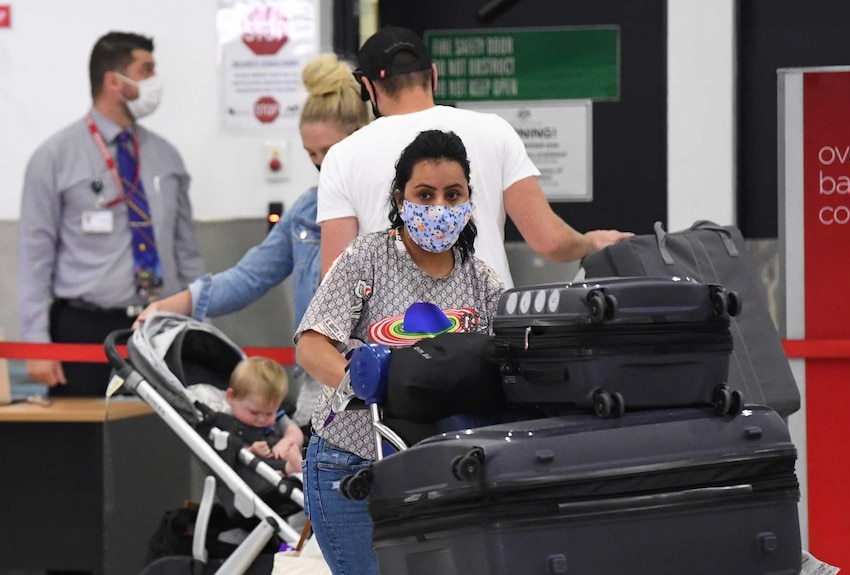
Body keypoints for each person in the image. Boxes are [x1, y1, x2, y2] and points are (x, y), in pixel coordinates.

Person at [295, 129, 507, 574]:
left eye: (453, 195)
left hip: (442, 469)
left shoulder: (482, 281)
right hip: (351, 464)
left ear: (469, 202)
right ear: (400, 198)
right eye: (424, 195)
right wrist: (376, 387)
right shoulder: (366, 259)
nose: (439, 209)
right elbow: (312, 347)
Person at [134, 54, 369, 427]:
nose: (323, 164)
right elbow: (249, 276)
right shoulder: (308, 209)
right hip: (318, 382)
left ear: (362, 138)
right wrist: (170, 306)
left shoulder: (389, 206)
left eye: (330, 151)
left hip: (373, 375)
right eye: (311, 154)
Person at [318, 26, 633, 287]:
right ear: (433, 75)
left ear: (369, 89)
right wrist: (589, 243)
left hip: (393, 345)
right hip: (486, 337)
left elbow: (337, 279)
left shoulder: (342, 156)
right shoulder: (494, 131)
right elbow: (549, 241)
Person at [18, 31, 204, 397]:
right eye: (146, 70)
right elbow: (34, 256)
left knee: (152, 443)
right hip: (83, 328)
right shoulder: (54, 157)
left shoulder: (166, 157)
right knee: (84, 450)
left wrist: (200, 325)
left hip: (157, 325)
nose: (155, 81)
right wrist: (36, 344)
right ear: (114, 82)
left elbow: (187, 253)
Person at [222, 356, 304, 475]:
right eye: (254, 412)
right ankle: (291, 468)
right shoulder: (224, 422)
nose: (261, 419)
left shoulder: (277, 417)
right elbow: (227, 456)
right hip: (249, 469)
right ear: (231, 397)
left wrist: (287, 441)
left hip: (277, 459)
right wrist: (251, 451)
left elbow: (294, 431)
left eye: (269, 413)